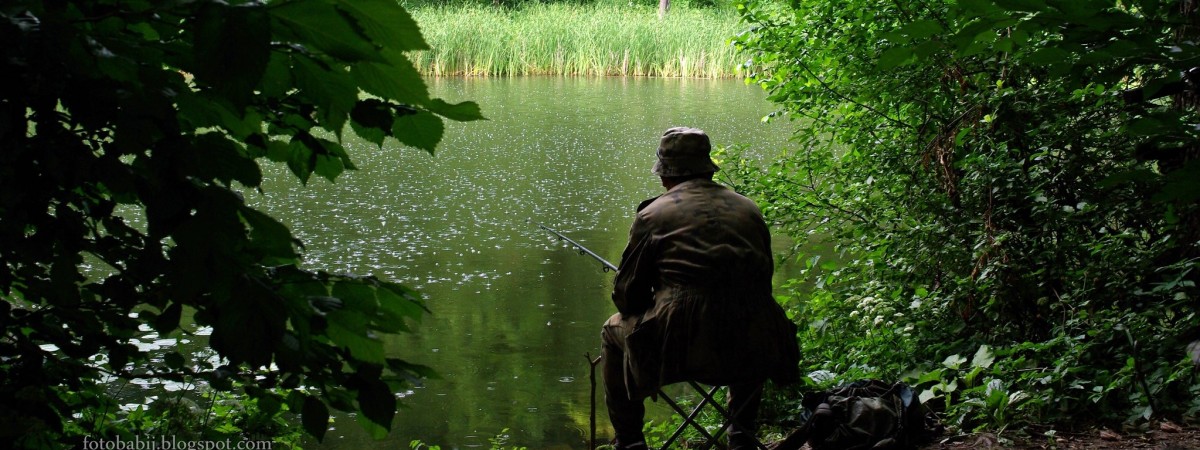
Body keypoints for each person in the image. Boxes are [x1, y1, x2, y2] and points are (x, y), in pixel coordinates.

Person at [602, 127, 801, 450]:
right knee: (750, 309)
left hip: (681, 349)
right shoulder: (748, 209)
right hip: (756, 344)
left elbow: (628, 298)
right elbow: (763, 281)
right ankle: (741, 435)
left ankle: (631, 442)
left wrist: (660, 298)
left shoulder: (653, 215)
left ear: (665, 175)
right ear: (708, 168)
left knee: (611, 331)